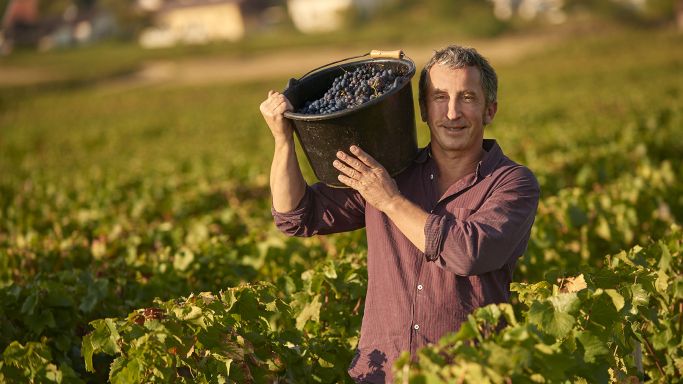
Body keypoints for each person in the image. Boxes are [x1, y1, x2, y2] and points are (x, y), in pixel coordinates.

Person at [259, 45, 540, 383]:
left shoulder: (512, 183)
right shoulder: (389, 172)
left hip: (467, 373)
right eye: (439, 97)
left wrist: (390, 201)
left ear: (489, 110)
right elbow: (296, 216)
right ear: (422, 109)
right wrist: (282, 140)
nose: (452, 113)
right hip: (381, 373)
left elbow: (468, 253)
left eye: (467, 98)